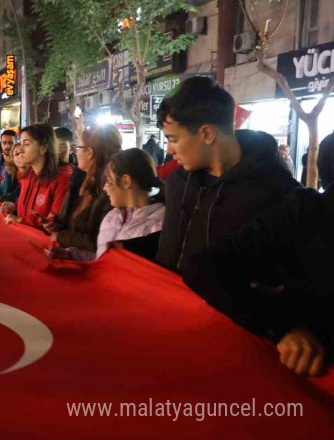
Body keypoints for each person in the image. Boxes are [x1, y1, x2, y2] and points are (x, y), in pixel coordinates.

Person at [183, 185, 334, 377]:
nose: (170, 151)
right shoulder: (309, 211)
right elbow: (204, 266)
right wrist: (281, 326)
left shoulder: (281, 188)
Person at [154, 76, 298, 275]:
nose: (169, 150)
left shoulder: (280, 193)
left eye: (173, 139)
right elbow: (174, 242)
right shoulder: (176, 182)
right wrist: (128, 248)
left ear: (207, 134)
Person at [47, 125, 121, 260]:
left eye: (78, 147)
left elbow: (100, 243)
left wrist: (62, 236)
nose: (75, 152)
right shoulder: (78, 179)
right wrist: (56, 224)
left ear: (90, 152)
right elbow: (70, 221)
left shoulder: (110, 191)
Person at [96, 149, 165, 261]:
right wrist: (72, 255)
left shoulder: (158, 225)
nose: (104, 188)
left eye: (108, 181)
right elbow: (100, 261)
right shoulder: (112, 217)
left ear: (126, 182)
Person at [1, 124, 71, 229]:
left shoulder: (62, 179)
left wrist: (21, 220)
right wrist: (14, 206)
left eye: (26, 144)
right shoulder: (28, 175)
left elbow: (53, 222)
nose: (20, 149)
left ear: (43, 148)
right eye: (21, 143)